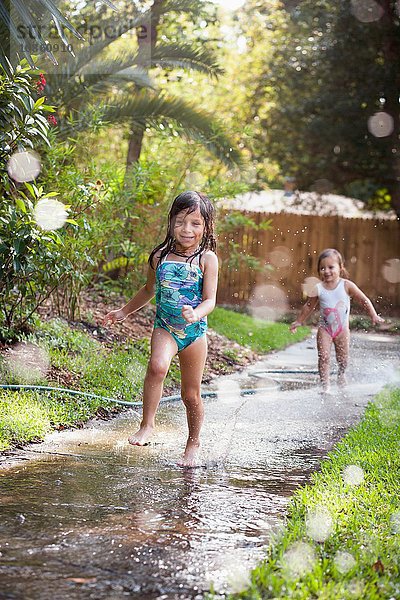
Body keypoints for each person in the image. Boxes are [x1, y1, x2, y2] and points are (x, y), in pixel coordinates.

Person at [103, 191, 218, 467]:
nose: (186, 229)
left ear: (206, 227)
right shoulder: (159, 256)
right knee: (156, 367)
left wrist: (196, 313)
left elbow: (211, 300)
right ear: (170, 222)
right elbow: (148, 290)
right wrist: (123, 311)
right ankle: (147, 424)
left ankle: (193, 443)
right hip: (165, 326)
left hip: (194, 333)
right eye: (180, 222)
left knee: (190, 395)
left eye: (194, 223)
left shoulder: (207, 259)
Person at [290, 248, 384, 393]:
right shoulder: (318, 288)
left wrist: (373, 315)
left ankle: (341, 374)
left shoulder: (346, 285)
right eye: (322, 268)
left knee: (343, 359)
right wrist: (299, 321)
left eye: (330, 267)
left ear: (340, 268)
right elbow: (308, 306)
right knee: (324, 357)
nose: (326, 271)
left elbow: (363, 300)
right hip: (325, 329)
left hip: (342, 330)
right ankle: (325, 385)